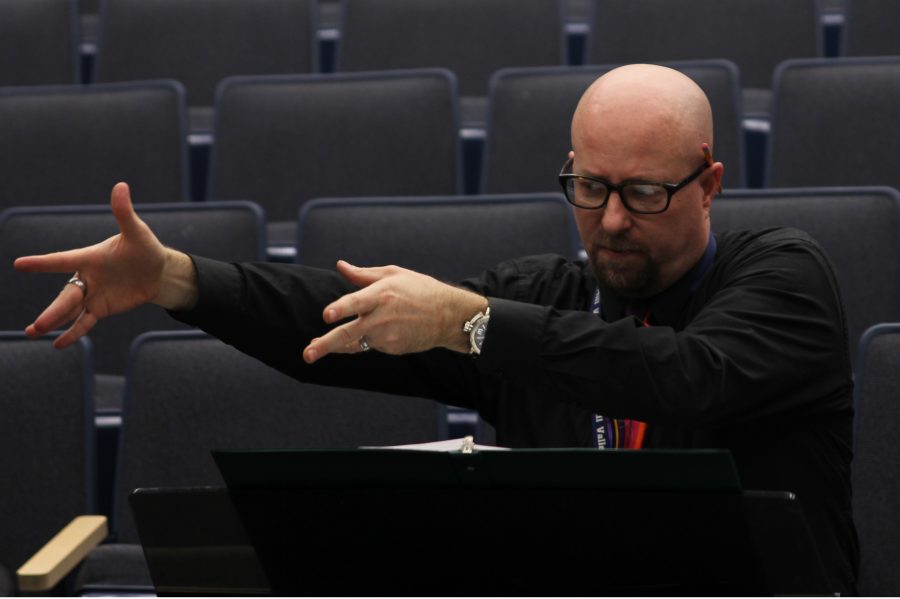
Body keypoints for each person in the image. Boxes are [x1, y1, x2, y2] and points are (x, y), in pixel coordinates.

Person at [15, 64, 857, 594]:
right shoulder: (545, 296)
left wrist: (475, 323)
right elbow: (339, 322)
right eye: (588, 187)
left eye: (643, 193)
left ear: (708, 182)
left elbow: (681, 373)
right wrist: (179, 280)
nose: (609, 221)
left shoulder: (784, 276)